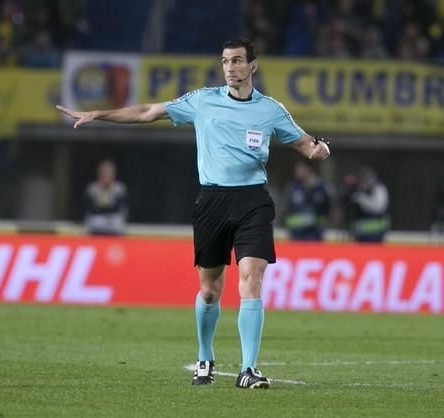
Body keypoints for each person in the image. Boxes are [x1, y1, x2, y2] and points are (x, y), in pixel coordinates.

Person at [56, 38, 330, 389]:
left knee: (252, 279)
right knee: (211, 290)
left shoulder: (271, 110)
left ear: (253, 66)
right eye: (225, 61)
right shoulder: (202, 101)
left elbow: (305, 143)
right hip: (213, 201)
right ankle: (205, 356)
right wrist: (98, 114)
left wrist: (318, 150)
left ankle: (248, 369)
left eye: (236, 61)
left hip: (253, 203)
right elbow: (148, 112)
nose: (230, 68)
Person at [282, 160, 331, 241]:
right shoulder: (293, 187)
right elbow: (286, 209)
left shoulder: (322, 188)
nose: (297, 171)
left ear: (308, 169)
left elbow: (328, 210)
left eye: (299, 168)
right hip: (296, 233)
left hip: (316, 233)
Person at [342, 166, 390, 243]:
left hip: (376, 235)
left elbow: (378, 207)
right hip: (360, 235)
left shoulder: (378, 188)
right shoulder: (357, 190)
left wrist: (361, 198)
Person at [84, 159, 128, 236]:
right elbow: (92, 208)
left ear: (113, 174)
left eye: (108, 173)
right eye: (103, 173)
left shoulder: (119, 188)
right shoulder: (92, 188)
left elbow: (116, 208)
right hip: (96, 224)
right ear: (99, 174)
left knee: (117, 220)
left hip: (114, 225)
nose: (106, 175)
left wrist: (102, 205)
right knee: (93, 220)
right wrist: (106, 205)